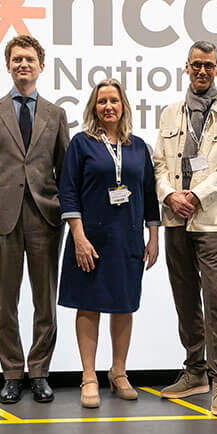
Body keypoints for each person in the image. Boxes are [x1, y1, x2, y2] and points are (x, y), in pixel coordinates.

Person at [153, 40, 217, 417]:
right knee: (185, 297)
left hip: (211, 220)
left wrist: (195, 195)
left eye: (208, 65)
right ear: (187, 68)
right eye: (196, 65)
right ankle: (195, 372)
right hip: (175, 217)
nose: (202, 71)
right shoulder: (170, 113)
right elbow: (158, 163)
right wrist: (169, 195)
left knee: (215, 299)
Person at [0, 35, 70, 404]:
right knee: (5, 301)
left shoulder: (56, 114)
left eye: (29, 59)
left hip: (46, 217)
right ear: (8, 65)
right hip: (3, 219)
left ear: (41, 66)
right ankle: (12, 372)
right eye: (16, 59)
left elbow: (67, 170)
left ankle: (40, 371)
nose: (22, 64)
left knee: (45, 300)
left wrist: (66, 212)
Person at [57, 80, 160, 408]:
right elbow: (68, 190)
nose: (108, 106)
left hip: (127, 237)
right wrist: (78, 236)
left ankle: (118, 373)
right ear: (93, 107)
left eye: (114, 100)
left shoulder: (139, 147)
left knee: (124, 304)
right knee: (88, 305)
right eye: (102, 101)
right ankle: (89, 377)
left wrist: (153, 236)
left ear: (123, 105)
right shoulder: (81, 143)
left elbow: (149, 194)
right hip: (90, 239)